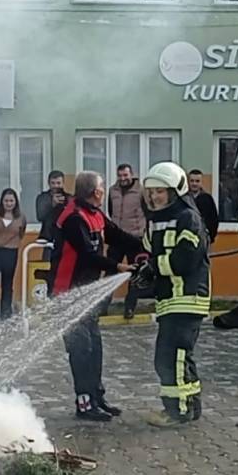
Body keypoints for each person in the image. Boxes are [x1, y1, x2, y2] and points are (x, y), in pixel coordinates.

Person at [48, 171, 144, 421]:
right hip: (67, 295)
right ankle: (84, 403)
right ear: (97, 192)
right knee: (81, 350)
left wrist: (144, 249)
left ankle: (97, 397)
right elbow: (88, 255)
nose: (104, 190)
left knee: (95, 347)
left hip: (87, 293)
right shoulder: (73, 218)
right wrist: (120, 267)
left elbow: (116, 235)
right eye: (102, 187)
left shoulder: (95, 213)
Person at [135, 162, 210, 428]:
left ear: (175, 190)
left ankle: (176, 412)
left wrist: (154, 268)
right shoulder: (155, 220)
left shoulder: (188, 218)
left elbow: (185, 260)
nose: (154, 197)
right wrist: (145, 266)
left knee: (171, 357)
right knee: (180, 356)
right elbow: (149, 251)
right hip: (169, 299)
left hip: (187, 297)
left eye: (160, 191)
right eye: (151, 192)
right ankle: (190, 405)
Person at [107, 163, 146, 320]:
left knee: (134, 273)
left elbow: (148, 212)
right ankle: (103, 307)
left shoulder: (141, 191)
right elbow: (111, 211)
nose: (123, 178)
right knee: (110, 271)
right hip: (117, 238)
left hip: (135, 237)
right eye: (120, 176)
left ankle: (130, 307)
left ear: (132, 175)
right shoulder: (112, 190)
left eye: (126, 175)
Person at [0, 188, 27, 321]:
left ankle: (6, 315)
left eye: (11, 201)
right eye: (6, 201)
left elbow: (22, 233)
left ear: (15, 202)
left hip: (11, 252)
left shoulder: (21, 217)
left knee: (7, 284)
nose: (9, 203)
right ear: (2, 201)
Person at [34, 170, 67, 260]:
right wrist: (52, 205)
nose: (56, 186)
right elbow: (40, 216)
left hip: (65, 239)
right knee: (48, 268)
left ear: (63, 183)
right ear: (49, 183)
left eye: (58, 183)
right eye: (53, 183)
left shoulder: (69, 198)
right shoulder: (42, 198)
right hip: (48, 239)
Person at [187, 168, 220, 243]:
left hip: (204, 238)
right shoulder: (184, 199)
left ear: (201, 182)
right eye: (192, 181)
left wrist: (210, 236)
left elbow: (214, 219)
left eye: (197, 181)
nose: (194, 183)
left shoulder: (207, 199)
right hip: (187, 238)